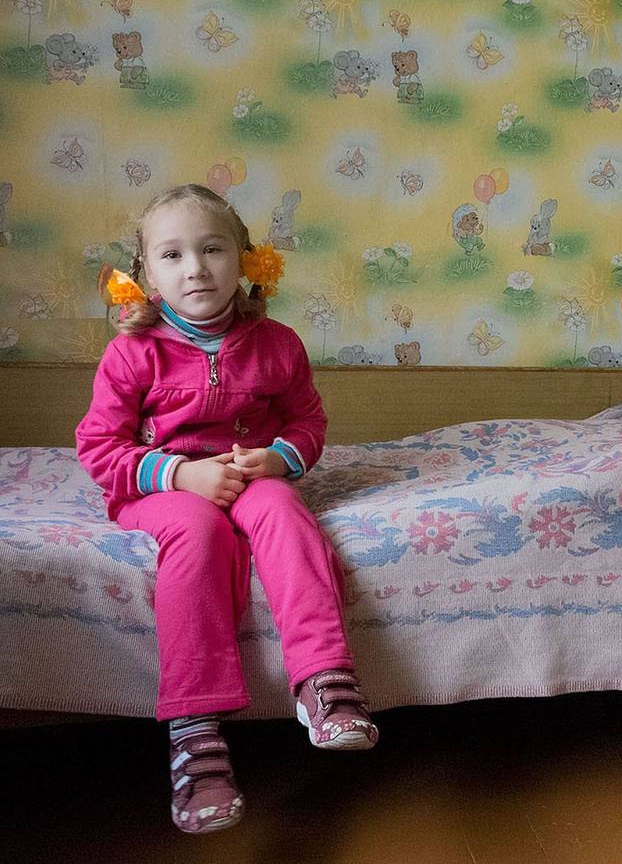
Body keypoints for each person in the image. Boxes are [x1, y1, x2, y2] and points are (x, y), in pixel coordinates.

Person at [75, 184, 377, 834]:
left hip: (248, 476)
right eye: (173, 255)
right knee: (198, 533)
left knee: (286, 513)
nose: (196, 268)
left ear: (246, 259)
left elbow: (307, 423)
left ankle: (324, 680)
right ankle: (194, 731)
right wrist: (180, 473)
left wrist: (279, 459)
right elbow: (100, 448)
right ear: (147, 273)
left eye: (212, 249)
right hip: (161, 490)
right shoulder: (133, 352)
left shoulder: (278, 344)